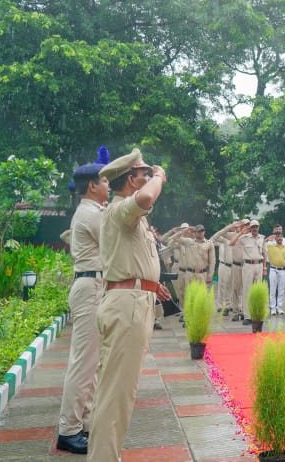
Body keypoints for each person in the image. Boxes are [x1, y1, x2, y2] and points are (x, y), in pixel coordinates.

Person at [88, 149, 171, 461]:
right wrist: (161, 176)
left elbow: (133, 261)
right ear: (131, 180)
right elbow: (147, 199)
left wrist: (153, 284)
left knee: (119, 392)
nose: (148, 178)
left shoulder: (128, 214)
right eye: (143, 174)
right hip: (127, 306)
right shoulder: (122, 208)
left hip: (135, 299)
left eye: (150, 173)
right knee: (116, 395)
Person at [56, 150, 109, 455]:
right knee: (84, 363)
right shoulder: (90, 213)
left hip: (94, 284)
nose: (108, 186)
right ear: (92, 186)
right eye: (104, 181)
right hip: (90, 286)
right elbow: (115, 242)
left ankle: (83, 423)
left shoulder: (92, 210)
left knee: (93, 362)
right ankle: (69, 430)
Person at [266, 225, 285, 314]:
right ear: (275, 238)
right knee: (272, 289)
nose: (279, 238)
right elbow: (260, 244)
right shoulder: (270, 246)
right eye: (277, 237)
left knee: (281, 289)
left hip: (283, 270)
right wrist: (267, 239)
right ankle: (272, 308)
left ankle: (279, 307)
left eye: (281, 236)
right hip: (273, 269)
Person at [237, 219, 267, 295]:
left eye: (256, 226)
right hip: (248, 266)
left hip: (259, 265)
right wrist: (241, 232)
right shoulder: (244, 238)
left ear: (258, 227)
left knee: (257, 290)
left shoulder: (262, 238)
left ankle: (255, 307)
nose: (255, 228)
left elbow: (264, 253)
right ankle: (246, 307)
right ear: (250, 228)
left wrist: (264, 267)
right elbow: (233, 242)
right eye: (253, 227)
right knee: (247, 290)